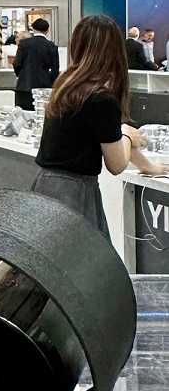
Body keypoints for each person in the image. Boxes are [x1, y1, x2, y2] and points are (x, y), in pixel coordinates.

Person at [33, 14, 163, 236]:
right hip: (74, 195)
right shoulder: (101, 99)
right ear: (115, 50)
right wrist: (127, 135)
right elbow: (116, 164)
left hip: (46, 187)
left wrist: (148, 165)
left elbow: (107, 138)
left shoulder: (66, 86)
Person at [12, 18, 60, 110]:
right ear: (47, 30)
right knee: (41, 114)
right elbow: (55, 70)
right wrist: (49, 83)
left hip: (24, 87)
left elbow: (16, 64)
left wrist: (22, 75)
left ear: (33, 29)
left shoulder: (24, 44)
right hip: (43, 89)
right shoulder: (52, 46)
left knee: (23, 114)